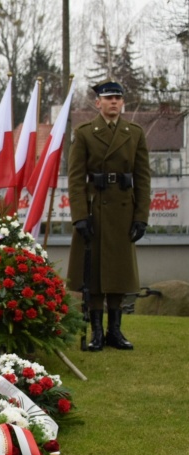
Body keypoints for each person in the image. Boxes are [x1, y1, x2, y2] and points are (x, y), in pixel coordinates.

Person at [67, 79, 151, 351]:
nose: (113, 102)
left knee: (118, 271)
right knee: (93, 273)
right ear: (98, 103)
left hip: (124, 210)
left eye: (118, 97)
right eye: (108, 98)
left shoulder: (135, 133)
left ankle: (115, 331)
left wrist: (142, 216)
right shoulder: (85, 133)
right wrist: (80, 215)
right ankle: (96, 333)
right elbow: (76, 178)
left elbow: (143, 178)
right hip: (95, 209)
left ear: (123, 102)